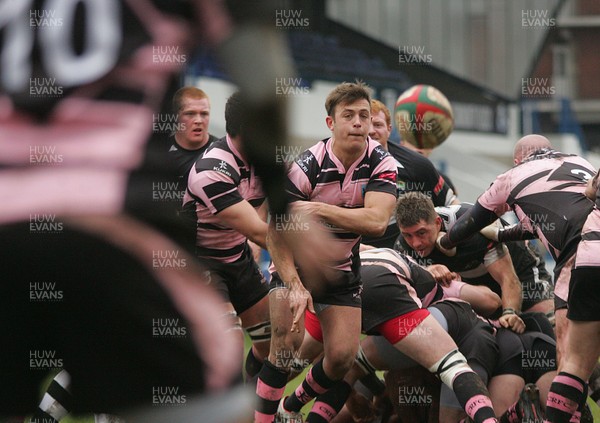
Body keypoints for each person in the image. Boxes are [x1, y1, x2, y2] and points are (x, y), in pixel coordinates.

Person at [0, 0, 298, 420]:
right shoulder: (204, 165)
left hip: (21, 220)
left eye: (203, 114)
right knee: (164, 368)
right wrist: (288, 220)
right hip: (138, 240)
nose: (197, 120)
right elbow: (262, 77)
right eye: (190, 114)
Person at [254, 82, 398, 423]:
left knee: (342, 358)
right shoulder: (308, 164)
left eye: (364, 115)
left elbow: (377, 222)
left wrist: (318, 210)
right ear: (330, 123)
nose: (358, 123)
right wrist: (293, 283)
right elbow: (275, 231)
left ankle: (290, 409)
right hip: (295, 267)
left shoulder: (382, 162)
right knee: (286, 344)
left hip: (341, 270)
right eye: (348, 116)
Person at [437, 134, 597, 422]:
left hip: (582, 252)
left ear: (516, 160)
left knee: (570, 357)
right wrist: (501, 234)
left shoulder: (511, 177)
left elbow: (474, 218)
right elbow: (546, 219)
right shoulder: (578, 161)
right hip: (587, 237)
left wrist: (446, 242)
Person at [296, 248, 502, 423]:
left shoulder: (443, 284)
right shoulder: (414, 272)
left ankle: (286, 408)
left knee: (351, 372)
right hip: (440, 325)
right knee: (444, 379)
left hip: (454, 327)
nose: (417, 243)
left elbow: (491, 300)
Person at [182, 91, 272, 382]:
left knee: (271, 346)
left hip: (238, 258)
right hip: (200, 262)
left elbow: (259, 212)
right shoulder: (212, 169)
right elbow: (259, 231)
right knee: (228, 347)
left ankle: (250, 407)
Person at [395, 192, 532, 332]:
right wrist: (426, 269)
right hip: (475, 274)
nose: (416, 243)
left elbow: (508, 278)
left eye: (421, 233)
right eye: (407, 235)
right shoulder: (402, 244)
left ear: (437, 223)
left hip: (518, 265)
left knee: (541, 316)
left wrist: (510, 313)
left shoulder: (472, 229)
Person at [362, 99, 458, 248]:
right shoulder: (339, 165)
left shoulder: (416, 164)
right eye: (366, 125)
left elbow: (453, 207)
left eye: (378, 124)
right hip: (359, 254)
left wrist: (443, 239)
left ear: (389, 129)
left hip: (410, 257)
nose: (371, 131)